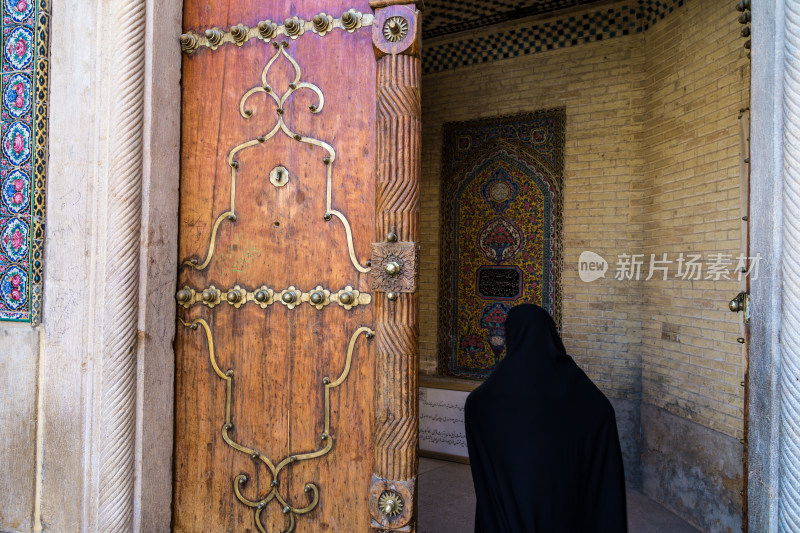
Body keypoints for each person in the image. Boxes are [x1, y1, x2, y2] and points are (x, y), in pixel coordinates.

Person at [464, 304, 628, 532]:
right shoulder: (573, 380)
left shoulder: (496, 391)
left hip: (515, 511)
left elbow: (476, 406)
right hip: (566, 508)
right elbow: (603, 413)